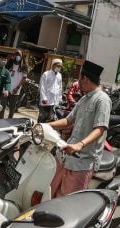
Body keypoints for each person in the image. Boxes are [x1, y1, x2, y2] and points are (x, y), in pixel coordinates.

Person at [47, 61, 110, 196]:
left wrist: (80, 145)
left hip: (83, 162)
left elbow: (100, 128)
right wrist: (46, 125)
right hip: (67, 156)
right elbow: (68, 120)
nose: (78, 82)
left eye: (80, 78)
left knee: (67, 206)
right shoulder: (84, 99)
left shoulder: (102, 100)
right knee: (49, 194)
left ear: (85, 78)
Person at [0, 50, 26, 119]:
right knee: (2, 107)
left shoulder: (23, 66)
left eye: (19, 55)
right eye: (16, 54)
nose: (17, 56)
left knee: (12, 109)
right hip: (6, 89)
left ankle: (9, 122)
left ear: (21, 56)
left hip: (15, 91)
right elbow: (4, 74)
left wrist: (17, 88)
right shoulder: (9, 64)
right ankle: (0, 122)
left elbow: (24, 78)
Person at [39, 58, 63, 122]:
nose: (59, 67)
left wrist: (60, 98)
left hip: (54, 101)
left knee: (50, 118)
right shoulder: (46, 74)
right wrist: (43, 98)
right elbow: (42, 86)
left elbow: (60, 88)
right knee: (43, 117)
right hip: (46, 100)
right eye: (58, 65)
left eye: (60, 66)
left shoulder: (59, 75)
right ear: (53, 65)